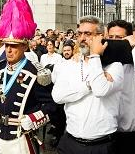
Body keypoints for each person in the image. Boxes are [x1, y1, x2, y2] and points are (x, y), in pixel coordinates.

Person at [0, 0, 55, 154]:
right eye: (7, 45)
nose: (9, 50)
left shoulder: (36, 73)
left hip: (21, 138)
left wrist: (34, 119)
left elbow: (53, 106)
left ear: (25, 46)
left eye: (14, 46)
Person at [52, 16, 123, 154]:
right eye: (80, 34)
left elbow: (100, 90)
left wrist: (95, 56)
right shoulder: (69, 65)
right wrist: (88, 85)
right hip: (70, 142)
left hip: (102, 145)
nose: (82, 38)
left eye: (88, 34)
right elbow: (57, 96)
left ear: (100, 37)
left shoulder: (115, 66)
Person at [106, 20, 135, 154]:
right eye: (111, 37)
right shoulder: (104, 63)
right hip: (111, 135)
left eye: (119, 38)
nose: (114, 42)